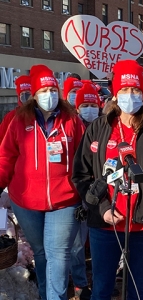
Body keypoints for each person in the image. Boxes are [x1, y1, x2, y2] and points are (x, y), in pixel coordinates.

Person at [72, 59, 143, 300]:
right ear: (114, 94)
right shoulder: (99, 128)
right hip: (105, 224)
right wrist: (101, 209)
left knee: (135, 289)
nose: (129, 95)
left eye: (135, 90)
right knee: (101, 288)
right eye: (124, 90)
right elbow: (81, 174)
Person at [0, 64, 85, 300]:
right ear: (34, 95)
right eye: (44, 90)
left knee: (58, 254)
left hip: (65, 200)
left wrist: (85, 187)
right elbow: (6, 156)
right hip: (25, 201)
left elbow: (84, 157)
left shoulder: (71, 121)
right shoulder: (19, 120)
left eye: (53, 89)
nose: (50, 95)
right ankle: (45, 294)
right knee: (41, 253)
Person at [0, 75, 31, 144]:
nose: (25, 96)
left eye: (28, 93)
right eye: (22, 94)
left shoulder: (41, 114)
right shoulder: (11, 117)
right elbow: (1, 138)